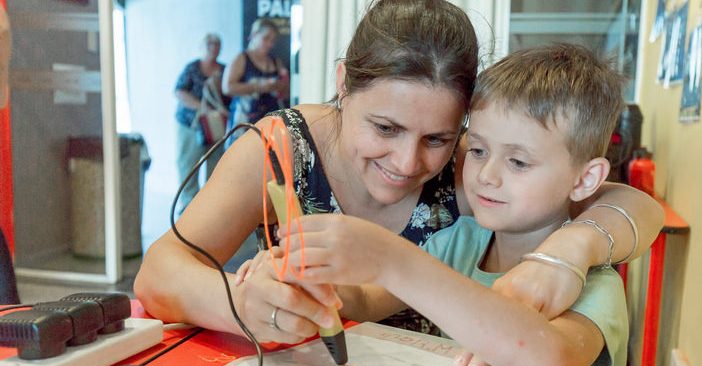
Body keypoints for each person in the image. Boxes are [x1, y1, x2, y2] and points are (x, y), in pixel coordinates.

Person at [134, 0, 662, 346]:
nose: (409, 164)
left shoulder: (474, 166)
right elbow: (158, 275)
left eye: (437, 138)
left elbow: (632, 204)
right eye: (385, 128)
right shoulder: (278, 149)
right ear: (343, 83)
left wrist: (570, 253)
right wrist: (242, 304)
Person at [271, 43, 631, 366]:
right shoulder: (458, 241)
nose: (486, 175)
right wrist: (307, 279)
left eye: (518, 162)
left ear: (585, 180)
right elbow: (366, 301)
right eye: (477, 150)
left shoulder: (594, 282)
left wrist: (391, 258)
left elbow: (548, 361)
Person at [174, 33, 227, 214]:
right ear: (203, 46)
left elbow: (230, 94)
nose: (213, 47)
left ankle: (210, 211)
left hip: (215, 127)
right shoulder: (193, 68)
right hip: (191, 125)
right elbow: (179, 91)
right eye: (210, 43)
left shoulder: (223, 70)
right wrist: (201, 107)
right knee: (189, 166)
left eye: (217, 44)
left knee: (216, 166)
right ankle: (188, 210)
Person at [222, 18, 288, 148]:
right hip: (245, 122)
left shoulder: (275, 61)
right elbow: (227, 87)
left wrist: (280, 85)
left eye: (273, 41)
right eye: (266, 38)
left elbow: (285, 91)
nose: (269, 44)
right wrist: (258, 86)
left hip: (269, 122)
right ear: (254, 35)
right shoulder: (242, 58)